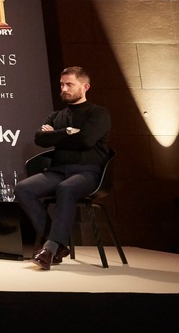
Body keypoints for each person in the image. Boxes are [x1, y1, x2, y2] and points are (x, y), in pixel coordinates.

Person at [15, 66, 111, 270]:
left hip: (88, 172)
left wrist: (56, 134)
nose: (64, 88)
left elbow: (87, 139)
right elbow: (40, 139)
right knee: (23, 189)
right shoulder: (55, 116)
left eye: (70, 84)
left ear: (85, 87)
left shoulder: (98, 113)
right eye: (62, 84)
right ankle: (57, 244)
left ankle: (49, 248)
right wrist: (67, 131)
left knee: (66, 189)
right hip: (58, 171)